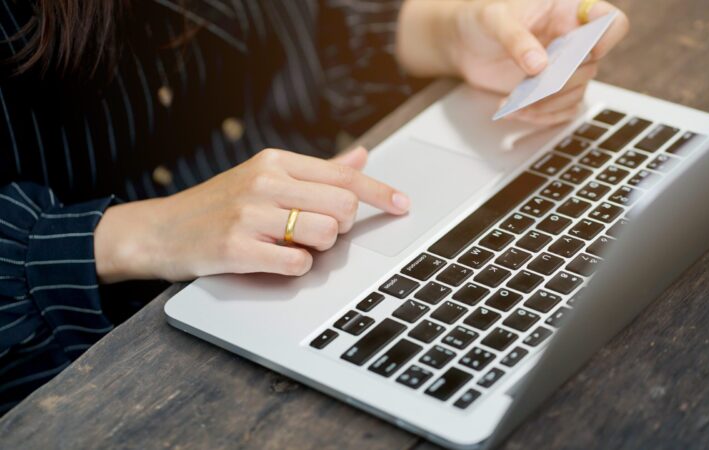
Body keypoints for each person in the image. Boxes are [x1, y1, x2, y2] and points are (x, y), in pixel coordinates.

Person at [0, 0, 627, 413]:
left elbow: (312, 27)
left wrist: (449, 33)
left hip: (336, 231)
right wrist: (140, 232)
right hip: (98, 360)